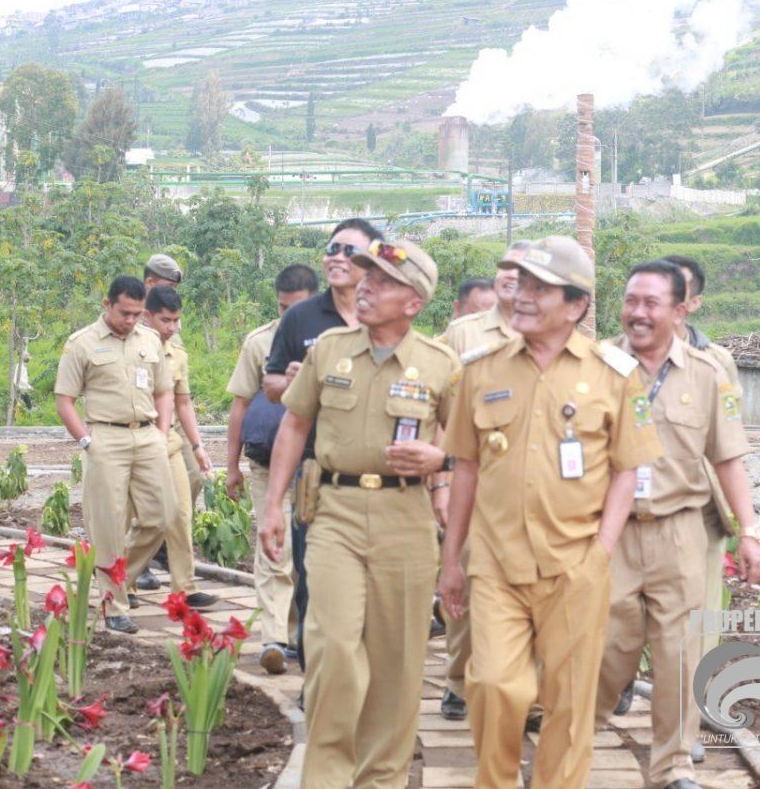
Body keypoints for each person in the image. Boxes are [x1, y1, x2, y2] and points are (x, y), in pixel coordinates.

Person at [437, 235, 664, 789]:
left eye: (540, 288)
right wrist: (451, 560)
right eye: (520, 284)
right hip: (496, 562)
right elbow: (463, 467)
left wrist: (601, 551)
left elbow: (626, 470)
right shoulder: (480, 370)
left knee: (568, 702)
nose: (523, 296)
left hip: (574, 564)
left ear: (576, 304)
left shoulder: (616, 375)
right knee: (492, 685)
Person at [259, 240, 459, 787]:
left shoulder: (441, 365)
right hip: (335, 513)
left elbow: (470, 450)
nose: (365, 285)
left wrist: (440, 460)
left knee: (397, 666)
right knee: (333, 648)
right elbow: (294, 424)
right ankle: (325, 777)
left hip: (406, 518)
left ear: (413, 301)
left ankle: (381, 780)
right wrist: (272, 506)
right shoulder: (330, 349)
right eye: (365, 275)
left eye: (383, 280)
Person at [596, 260, 760, 789]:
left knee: (679, 650)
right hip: (612, 530)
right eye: (630, 302)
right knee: (606, 643)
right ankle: (577, 729)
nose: (637, 313)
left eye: (651, 304)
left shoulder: (707, 373)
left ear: (678, 310)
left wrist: (750, 531)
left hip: (681, 528)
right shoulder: (596, 366)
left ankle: (672, 766)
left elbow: (728, 459)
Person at [263, 217, 382, 671]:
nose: (336, 256)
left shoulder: (387, 315)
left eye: (349, 250)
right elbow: (272, 383)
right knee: (313, 577)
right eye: (332, 248)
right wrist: (288, 380)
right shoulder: (302, 317)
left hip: (379, 475)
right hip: (316, 468)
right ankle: (317, 684)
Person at [54, 276, 176, 634]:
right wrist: (86, 441)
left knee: (161, 515)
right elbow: (65, 401)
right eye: (125, 313)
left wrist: (163, 434)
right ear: (107, 304)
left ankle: (115, 574)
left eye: (138, 314)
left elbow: (165, 391)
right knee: (108, 525)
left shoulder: (150, 339)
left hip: (148, 436)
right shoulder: (81, 343)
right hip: (105, 437)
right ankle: (115, 603)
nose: (131, 320)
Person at [661, 255, 746, 761]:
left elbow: (730, 442)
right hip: (636, 512)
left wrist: (745, 522)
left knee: (699, 620)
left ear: (692, 304)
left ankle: (686, 726)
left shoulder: (719, 364)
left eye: (678, 295)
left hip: (699, 512)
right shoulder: (617, 360)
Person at [435, 245, 523, 723]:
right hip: (474, 481)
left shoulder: (555, 335)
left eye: (522, 270)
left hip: (533, 491)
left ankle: (524, 692)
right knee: (462, 586)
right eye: (505, 269)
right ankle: (456, 681)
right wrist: (440, 483)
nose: (511, 277)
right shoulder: (463, 333)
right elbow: (438, 409)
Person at [225, 264, 318, 674]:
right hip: (266, 462)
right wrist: (230, 466)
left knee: (308, 555)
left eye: (295, 308)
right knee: (273, 551)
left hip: (315, 466)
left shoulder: (336, 341)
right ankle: (274, 638)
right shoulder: (259, 342)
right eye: (282, 308)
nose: (287, 317)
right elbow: (240, 403)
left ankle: (299, 636)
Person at [128, 286, 217, 609]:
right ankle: (126, 583)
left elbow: (183, 402)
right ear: (147, 316)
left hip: (167, 443)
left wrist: (197, 445)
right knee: (137, 516)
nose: (172, 327)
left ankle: (185, 587)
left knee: (181, 512)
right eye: (166, 320)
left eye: (177, 320)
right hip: (135, 442)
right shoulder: (131, 348)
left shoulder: (177, 355)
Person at [136, 252, 199, 591]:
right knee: (145, 498)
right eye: (167, 286)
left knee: (193, 479)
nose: (172, 324)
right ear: (149, 284)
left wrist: (197, 441)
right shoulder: (131, 316)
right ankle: (138, 564)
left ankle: (163, 549)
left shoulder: (170, 322)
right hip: (141, 427)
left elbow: (178, 389)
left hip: (171, 424)